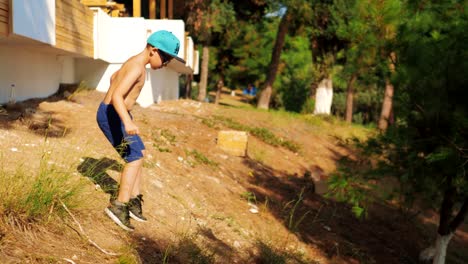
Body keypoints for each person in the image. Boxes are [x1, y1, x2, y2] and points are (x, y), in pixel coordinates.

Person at [96, 30, 184, 231]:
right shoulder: (137, 68)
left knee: (140, 153)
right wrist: (126, 120)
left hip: (116, 113)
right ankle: (119, 206)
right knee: (133, 158)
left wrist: (124, 112)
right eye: (166, 58)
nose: (166, 64)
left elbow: (114, 78)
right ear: (153, 50)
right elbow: (117, 95)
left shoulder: (134, 62)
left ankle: (134, 200)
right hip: (113, 115)